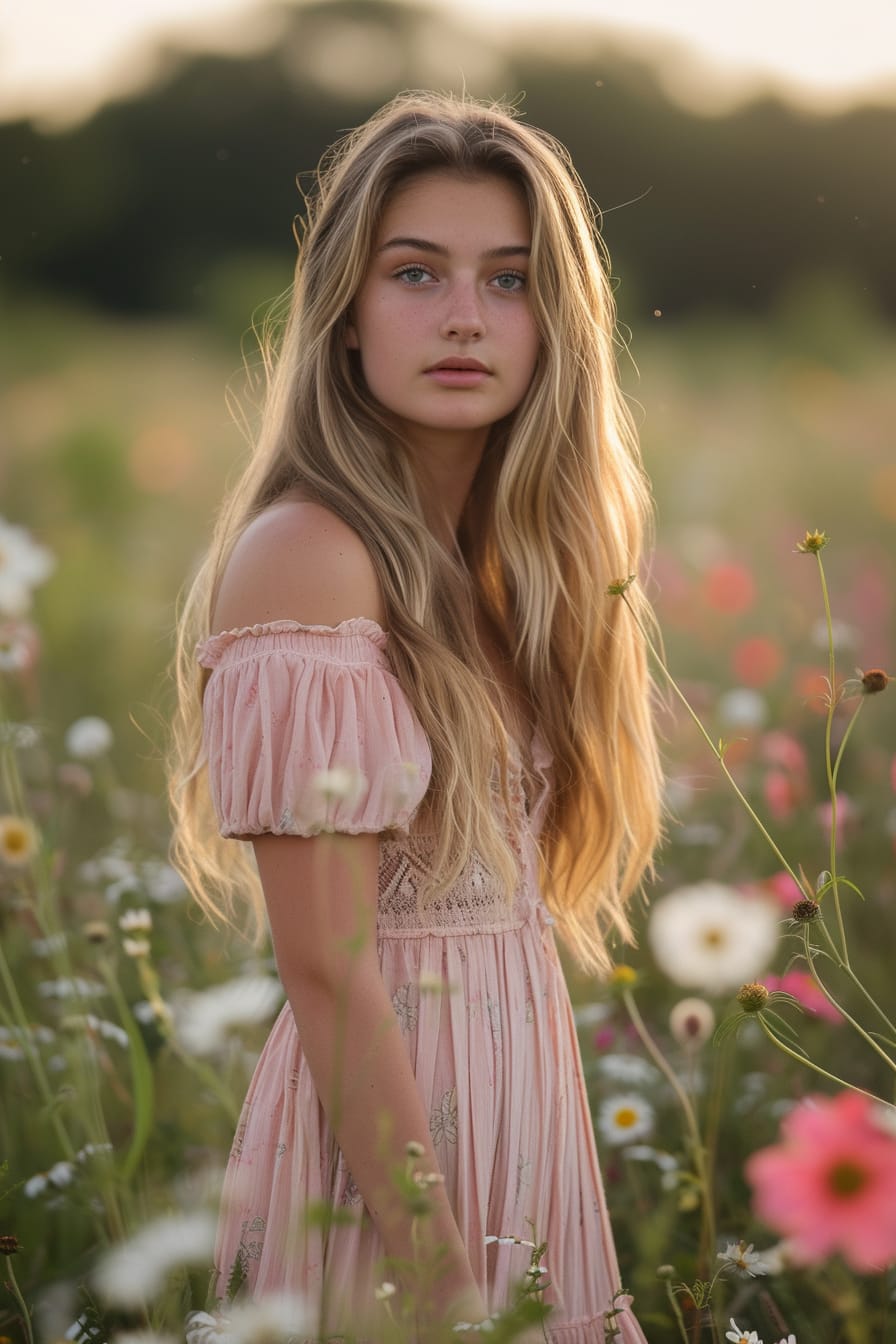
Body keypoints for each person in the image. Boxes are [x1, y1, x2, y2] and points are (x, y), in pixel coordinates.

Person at [169, 90, 662, 1342]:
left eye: (508, 280)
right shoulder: (310, 558)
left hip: (521, 1118)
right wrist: (443, 1289)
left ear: (560, 324)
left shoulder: (511, 567)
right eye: (414, 273)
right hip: (392, 1171)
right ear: (343, 314)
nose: (462, 317)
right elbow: (327, 969)